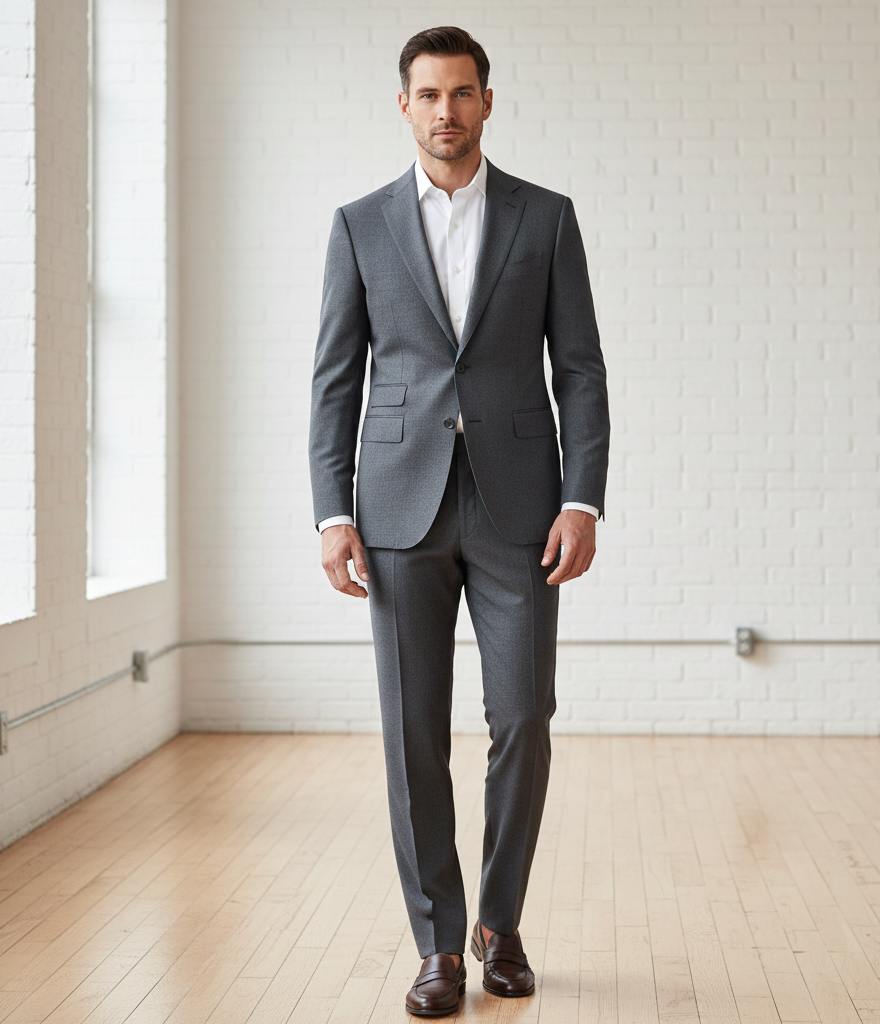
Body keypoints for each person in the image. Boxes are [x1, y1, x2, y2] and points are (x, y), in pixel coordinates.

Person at [308, 25, 609, 1017]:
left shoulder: (545, 217)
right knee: (412, 733)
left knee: (523, 716)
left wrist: (581, 498)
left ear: (487, 100)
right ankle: (439, 943)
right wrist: (332, 512)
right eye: (429, 94)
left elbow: (580, 370)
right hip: (398, 508)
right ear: (405, 105)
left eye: (463, 93)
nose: (447, 111)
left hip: (520, 506)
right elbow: (335, 380)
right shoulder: (359, 225)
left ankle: (499, 923)